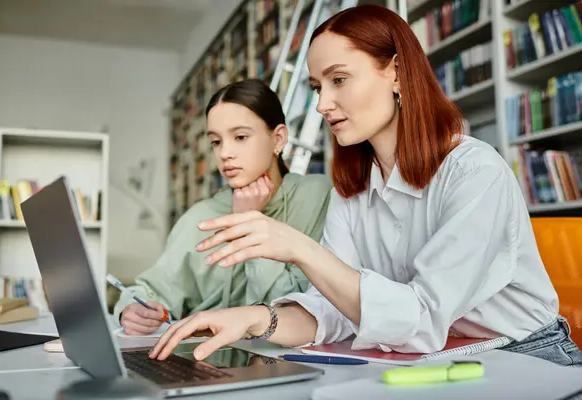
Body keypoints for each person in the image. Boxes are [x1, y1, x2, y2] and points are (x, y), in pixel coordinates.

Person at [149, 4, 582, 366]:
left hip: (525, 356)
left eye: (339, 80)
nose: (322, 104)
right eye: (317, 86)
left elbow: (420, 319)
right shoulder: (354, 188)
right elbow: (338, 311)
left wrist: (299, 247)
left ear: (396, 72)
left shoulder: (475, 172)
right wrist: (254, 318)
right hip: (439, 359)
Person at [113, 79, 333, 336]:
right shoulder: (201, 216)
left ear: (278, 139)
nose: (225, 153)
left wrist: (249, 221)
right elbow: (150, 290)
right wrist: (131, 310)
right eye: (216, 142)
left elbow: (294, 308)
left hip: (291, 366)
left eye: (240, 137)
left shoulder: (318, 196)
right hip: (204, 367)